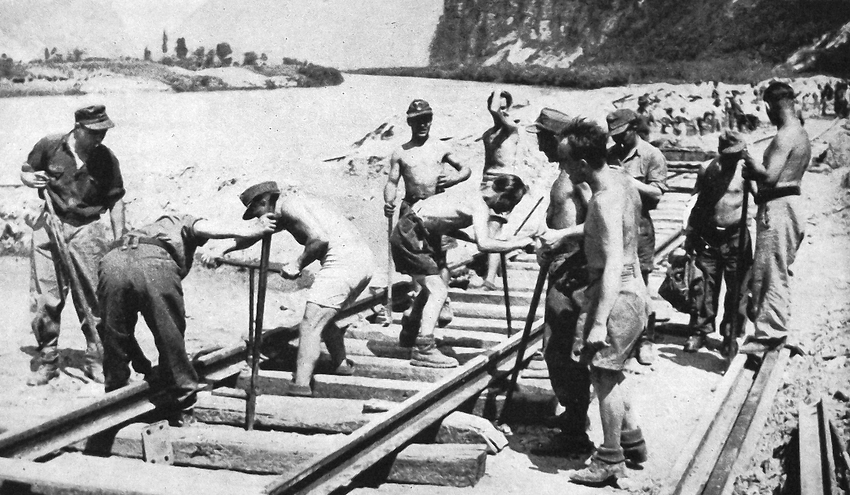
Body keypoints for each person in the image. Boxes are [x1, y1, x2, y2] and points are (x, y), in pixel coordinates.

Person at [207, 181, 376, 396]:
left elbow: (320, 239)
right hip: (361, 261)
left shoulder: (289, 206)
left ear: (265, 201)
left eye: (256, 212)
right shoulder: (285, 209)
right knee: (325, 316)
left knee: (310, 324)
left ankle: (301, 386)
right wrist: (222, 249)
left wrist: (297, 264)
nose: (258, 218)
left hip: (344, 263)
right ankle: (341, 364)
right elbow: (252, 235)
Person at [98, 212, 276, 413]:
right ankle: (183, 395)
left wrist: (143, 367)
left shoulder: (143, 231)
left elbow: (122, 335)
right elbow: (203, 226)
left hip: (111, 262)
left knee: (115, 332)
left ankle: (115, 393)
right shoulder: (177, 221)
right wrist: (250, 229)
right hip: (152, 264)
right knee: (169, 332)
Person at [557, 118, 649, 486]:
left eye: (565, 162)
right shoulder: (621, 180)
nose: (562, 168)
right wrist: (562, 235)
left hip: (615, 291)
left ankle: (611, 459)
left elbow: (612, 261)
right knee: (614, 369)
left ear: (581, 165)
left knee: (604, 376)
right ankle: (632, 439)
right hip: (632, 289)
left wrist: (598, 322)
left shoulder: (604, 199)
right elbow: (617, 232)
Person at [19, 105, 126, 386]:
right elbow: (27, 170)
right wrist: (29, 179)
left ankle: (96, 358)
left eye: (103, 131)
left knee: (93, 297)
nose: (100, 138)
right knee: (45, 297)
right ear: (78, 128)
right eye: (94, 132)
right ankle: (48, 359)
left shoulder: (105, 159)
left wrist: (119, 239)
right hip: (48, 223)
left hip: (86, 229)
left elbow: (116, 199)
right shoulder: (50, 146)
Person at [390, 175, 534, 368]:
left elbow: (444, 222)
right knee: (438, 291)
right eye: (511, 202)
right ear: (501, 194)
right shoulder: (480, 205)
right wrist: (516, 243)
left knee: (430, 286)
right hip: (412, 235)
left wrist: (473, 239)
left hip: (416, 230)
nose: (508, 208)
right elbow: (484, 244)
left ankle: (410, 327)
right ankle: (424, 349)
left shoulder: (470, 196)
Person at [527, 108, 595, 456]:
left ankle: (574, 429)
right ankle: (573, 417)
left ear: (554, 138)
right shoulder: (570, 175)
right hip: (565, 269)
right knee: (560, 348)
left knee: (561, 349)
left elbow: (593, 223)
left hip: (570, 275)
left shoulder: (573, 179)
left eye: (541, 138)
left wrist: (557, 244)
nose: (538, 146)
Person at [384, 99, 471, 345]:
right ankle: (420, 298)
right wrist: (388, 202)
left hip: (439, 208)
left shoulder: (440, 147)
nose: (423, 124)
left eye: (427, 119)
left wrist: (454, 179)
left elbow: (465, 168)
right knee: (418, 260)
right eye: (418, 120)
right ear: (410, 122)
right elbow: (392, 182)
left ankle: (441, 300)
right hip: (412, 209)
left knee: (441, 257)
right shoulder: (401, 151)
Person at [740, 82, 811, 354]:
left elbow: (770, 176)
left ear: (771, 106)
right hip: (784, 202)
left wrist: (750, 163)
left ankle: (770, 333)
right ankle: (772, 328)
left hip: (779, 209)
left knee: (772, 271)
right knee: (776, 268)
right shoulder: (800, 133)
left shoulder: (785, 135)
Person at [606, 108, 668, 365]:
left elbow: (657, 193)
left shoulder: (651, 155)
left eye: (622, 133)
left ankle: (645, 339)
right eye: (614, 135)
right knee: (611, 280)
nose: (618, 140)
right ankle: (618, 336)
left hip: (639, 225)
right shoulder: (610, 154)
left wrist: (627, 181)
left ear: (633, 127)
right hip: (611, 224)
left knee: (640, 283)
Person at [683, 130, 754, 353]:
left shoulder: (745, 171)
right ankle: (700, 331)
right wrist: (690, 233)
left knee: (737, 289)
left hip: (736, 237)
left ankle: (730, 335)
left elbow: (760, 194)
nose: (734, 158)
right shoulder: (707, 169)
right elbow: (696, 200)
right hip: (709, 236)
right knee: (704, 286)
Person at [478, 89, 520, 290]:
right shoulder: (488, 134)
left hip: (504, 183)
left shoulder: (511, 129)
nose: (500, 112)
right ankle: (497, 265)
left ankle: (490, 279)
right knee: (486, 227)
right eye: (499, 108)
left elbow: (494, 109)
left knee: (493, 229)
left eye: (505, 109)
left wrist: (494, 89)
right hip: (487, 182)